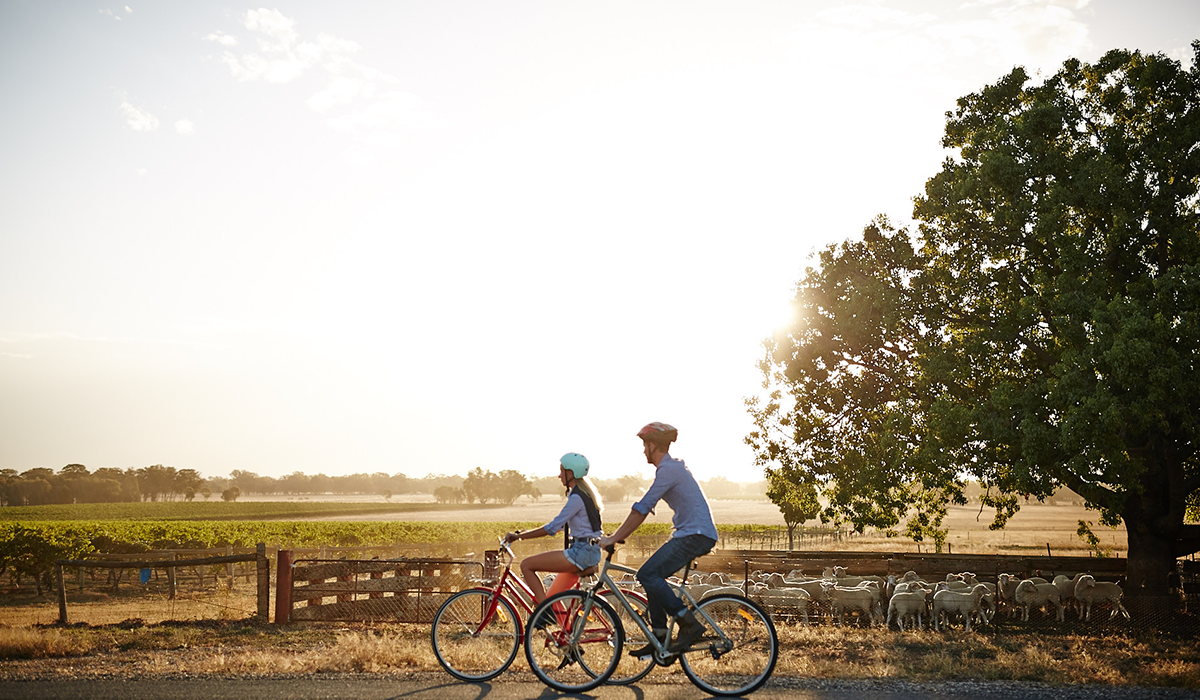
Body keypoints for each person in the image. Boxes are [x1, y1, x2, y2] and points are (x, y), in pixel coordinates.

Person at [600, 422, 718, 658]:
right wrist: (618, 536)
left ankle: (688, 624)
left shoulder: (669, 470)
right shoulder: (671, 469)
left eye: (645, 446)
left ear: (653, 445)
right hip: (692, 533)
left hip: (695, 535)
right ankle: (660, 637)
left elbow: (642, 508)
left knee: (647, 575)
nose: (643, 451)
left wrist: (615, 537)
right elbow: (643, 509)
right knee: (653, 577)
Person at [503, 452, 604, 604]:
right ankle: (556, 619)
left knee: (526, 565)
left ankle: (542, 611)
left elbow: (552, 528)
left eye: (561, 471)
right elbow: (564, 526)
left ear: (570, 473)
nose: (559, 476)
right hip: (588, 551)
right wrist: (526, 532)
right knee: (553, 598)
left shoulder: (577, 497)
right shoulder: (585, 494)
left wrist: (519, 537)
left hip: (580, 553)